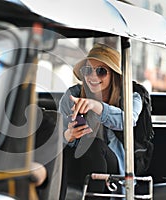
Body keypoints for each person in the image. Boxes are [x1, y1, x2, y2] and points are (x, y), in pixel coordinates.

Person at [59, 43, 143, 198]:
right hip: (77, 161)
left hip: (115, 167)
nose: (93, 76)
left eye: (101, 71)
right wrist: (68, 135)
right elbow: (59, 138)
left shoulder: (132, 97)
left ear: (114, 76)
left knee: (94, 146)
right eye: (87, 70)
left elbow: (127, 121)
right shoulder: (72, 95)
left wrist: (96, 106)